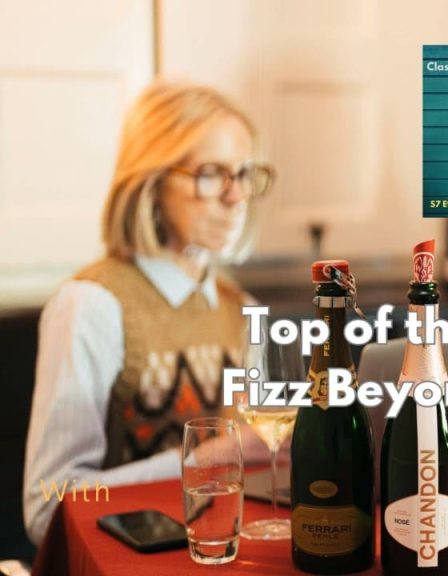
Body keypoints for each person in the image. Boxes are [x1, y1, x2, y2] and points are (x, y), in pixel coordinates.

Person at [23, 81, 274, 545]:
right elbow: (47, 504)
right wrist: (202, 460)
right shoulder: (91, 306)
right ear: (151, 183)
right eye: (211, 173)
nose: (236, 196)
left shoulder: (244, 310)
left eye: (243, 174)